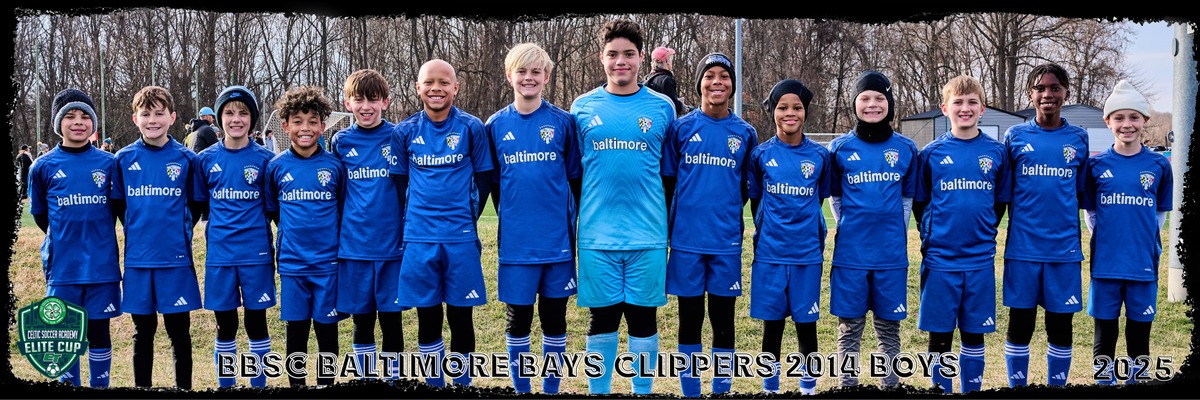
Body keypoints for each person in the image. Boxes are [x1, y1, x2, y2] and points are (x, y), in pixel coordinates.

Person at [568, 18, 675, 395]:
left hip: (647, 236)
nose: (621, 62)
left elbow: (669, 175)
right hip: (597, 237)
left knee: (644, 321)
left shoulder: (663, 108)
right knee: (602, 320)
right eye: (613, 54)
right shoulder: (581, 108)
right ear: (602, 58)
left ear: (642, 57)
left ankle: (641, 391)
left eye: (629, 54)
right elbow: (575, 176)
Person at [481, 42, 582, 395]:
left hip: (557, 245)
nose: (529, 78)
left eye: (536, 72)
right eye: (521, 71)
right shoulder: (494, 125)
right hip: (517, 247)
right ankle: (522, 389)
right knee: (518, 321)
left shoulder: (563, 123)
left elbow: (575, 181)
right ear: (509, 76)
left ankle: (551, 389)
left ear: (547, 77)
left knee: (555, 320)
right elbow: (495, 186)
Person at [388, 59, 494, 388]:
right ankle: (434, 385)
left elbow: (484, 179)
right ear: (418, 88)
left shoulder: (471, 127)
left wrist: (465, 217)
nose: (437, 88)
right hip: (420, 238)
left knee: (461, 317)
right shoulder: (404, 131)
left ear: (455, 88)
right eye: (429, 82)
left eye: (444, 82)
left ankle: (463, 385)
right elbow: (400, 184)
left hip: (460, 238)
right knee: (428, 317)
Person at [661, 51, 756, 397]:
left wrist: (724, 212)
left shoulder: (745, 133)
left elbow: (745, 187)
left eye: (724, 76)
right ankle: (690, 391)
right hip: (686, 241)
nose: (717, 82)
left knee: (723, 320)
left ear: (732, 85)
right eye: (709, 76)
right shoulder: (681, 128)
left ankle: (721, 389)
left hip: (725, 243)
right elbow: (669, 183)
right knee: (689, 319)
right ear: (699, 83)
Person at [912, 75, 1011, 394]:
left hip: (979, 260)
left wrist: (982, 231)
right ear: (945, 108)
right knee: (939, 334)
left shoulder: (996, 152)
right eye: (958, 102)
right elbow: (921, 204)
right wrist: (935, 235)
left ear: (983, 108)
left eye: (972, 102)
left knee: (973, 334)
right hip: (941, 260)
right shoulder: (931, 153)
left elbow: (999, 203)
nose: (965, 108)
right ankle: (940, 389)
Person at [1000, 63, 1090, 388]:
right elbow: (1004, 193)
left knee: (1060, 328)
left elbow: (1080, 193)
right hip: (1023, 251)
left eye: (1055, 88)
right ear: (1030, 94)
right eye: (1040, 88)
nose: (1047, 94)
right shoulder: (1015, 137)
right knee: (1020, 325)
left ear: (1066, 92)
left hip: (1063, 253)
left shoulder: (1079, 138)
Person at [827, 71, 918, 389]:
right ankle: (847, 386)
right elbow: (835, 199)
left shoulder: (906, 148)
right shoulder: (839, 148)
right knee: (849, 328)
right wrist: (851, 228)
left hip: (890, 257)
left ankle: (890, 386)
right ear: (854, 103)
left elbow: (906, 201)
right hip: (851, 256)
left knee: (888, 329)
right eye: (864, 98)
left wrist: (893, 234)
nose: (872, 104)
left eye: (880, 98)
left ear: (889, 103)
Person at [111, 85, 205, 389]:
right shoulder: (123, 159)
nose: (152, 120)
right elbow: (119, 206)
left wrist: (177, 232)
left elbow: (195, 205)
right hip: (139, 261)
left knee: (179, 333)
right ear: (135, 118)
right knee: (143, 332)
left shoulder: (187, 159)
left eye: (159, 113)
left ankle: (184, 389)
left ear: (172, 117)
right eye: (146, 114)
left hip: (175, 261)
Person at [27, 88, 121, 388]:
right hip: (64, 267)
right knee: (65, 335)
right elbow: (41, 216)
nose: (78, 122)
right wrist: (65, 238)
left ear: (93, 123)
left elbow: (118, 209)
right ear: (59, 124)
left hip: (101, 265)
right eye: (70, 116)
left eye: (84, 116)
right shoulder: (42, 166)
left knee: (99, 332)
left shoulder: (109, 163)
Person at [1083, 80, 1173, 385]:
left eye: (1134, 117)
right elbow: (1091, 214)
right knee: (1104, 336)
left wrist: (1141, 239)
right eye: (1119, 118)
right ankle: (1104, 383)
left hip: (1142, 265)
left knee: (1139, 337)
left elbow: (1159, 214)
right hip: (1105, 265)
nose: (1127, 124)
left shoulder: (1159, 165)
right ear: (1108, 122)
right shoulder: (1095, 165)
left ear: (1145, 121)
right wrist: (1110, 239)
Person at [747, 79, 828, 395]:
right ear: (773, 112)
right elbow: (757, 202)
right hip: (770, 255)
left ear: (806, 112)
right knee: (773, 326)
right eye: (783, 107)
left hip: (806, 255)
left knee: (807, 326)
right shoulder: (760, 155)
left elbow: (819, 199)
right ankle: (770, 388)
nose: (790, 113)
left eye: (797, 107)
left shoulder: (820, 156)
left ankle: (808, 388)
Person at [328, 68, 407, 381]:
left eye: (373, 100)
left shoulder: (398, 136)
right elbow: (336, 194)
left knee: (391, 322)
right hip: (355, 249)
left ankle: (392, 381)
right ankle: (366, 381)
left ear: (385, 102)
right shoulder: (340, 142)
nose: (366, 106)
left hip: (392, 248)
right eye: (358, 99)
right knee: (362, 322)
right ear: (347, 103)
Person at [265, 85, 346, 387]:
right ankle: (296, 388)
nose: (305, 128)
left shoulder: (334, 167)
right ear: (285, 125)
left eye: (313, 122)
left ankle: (327, 387)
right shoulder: (276, 167)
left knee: (327, 332)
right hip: (293, 266)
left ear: (323, 126)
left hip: (328, 266)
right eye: (297, 121)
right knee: (296, 333)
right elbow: (274, 210)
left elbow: (341, 209)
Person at [195, 85, 276, 388]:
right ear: (219, 119)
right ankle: (226, 386)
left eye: (243, 113)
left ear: (252, 119)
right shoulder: (205, 160)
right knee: (225, 325)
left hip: (256, 255)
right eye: (229, 113)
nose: (236, 119)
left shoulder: (266, 160)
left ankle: (259, 386)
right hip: (220, 256)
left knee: (257, 323)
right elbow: (200, 206)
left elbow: (273, 208)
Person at [644, 46, 686, 115]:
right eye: (670, 59)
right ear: (667, 62)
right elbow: (673, 105)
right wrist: (683, 107)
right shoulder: (666, 80)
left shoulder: (646, 79)